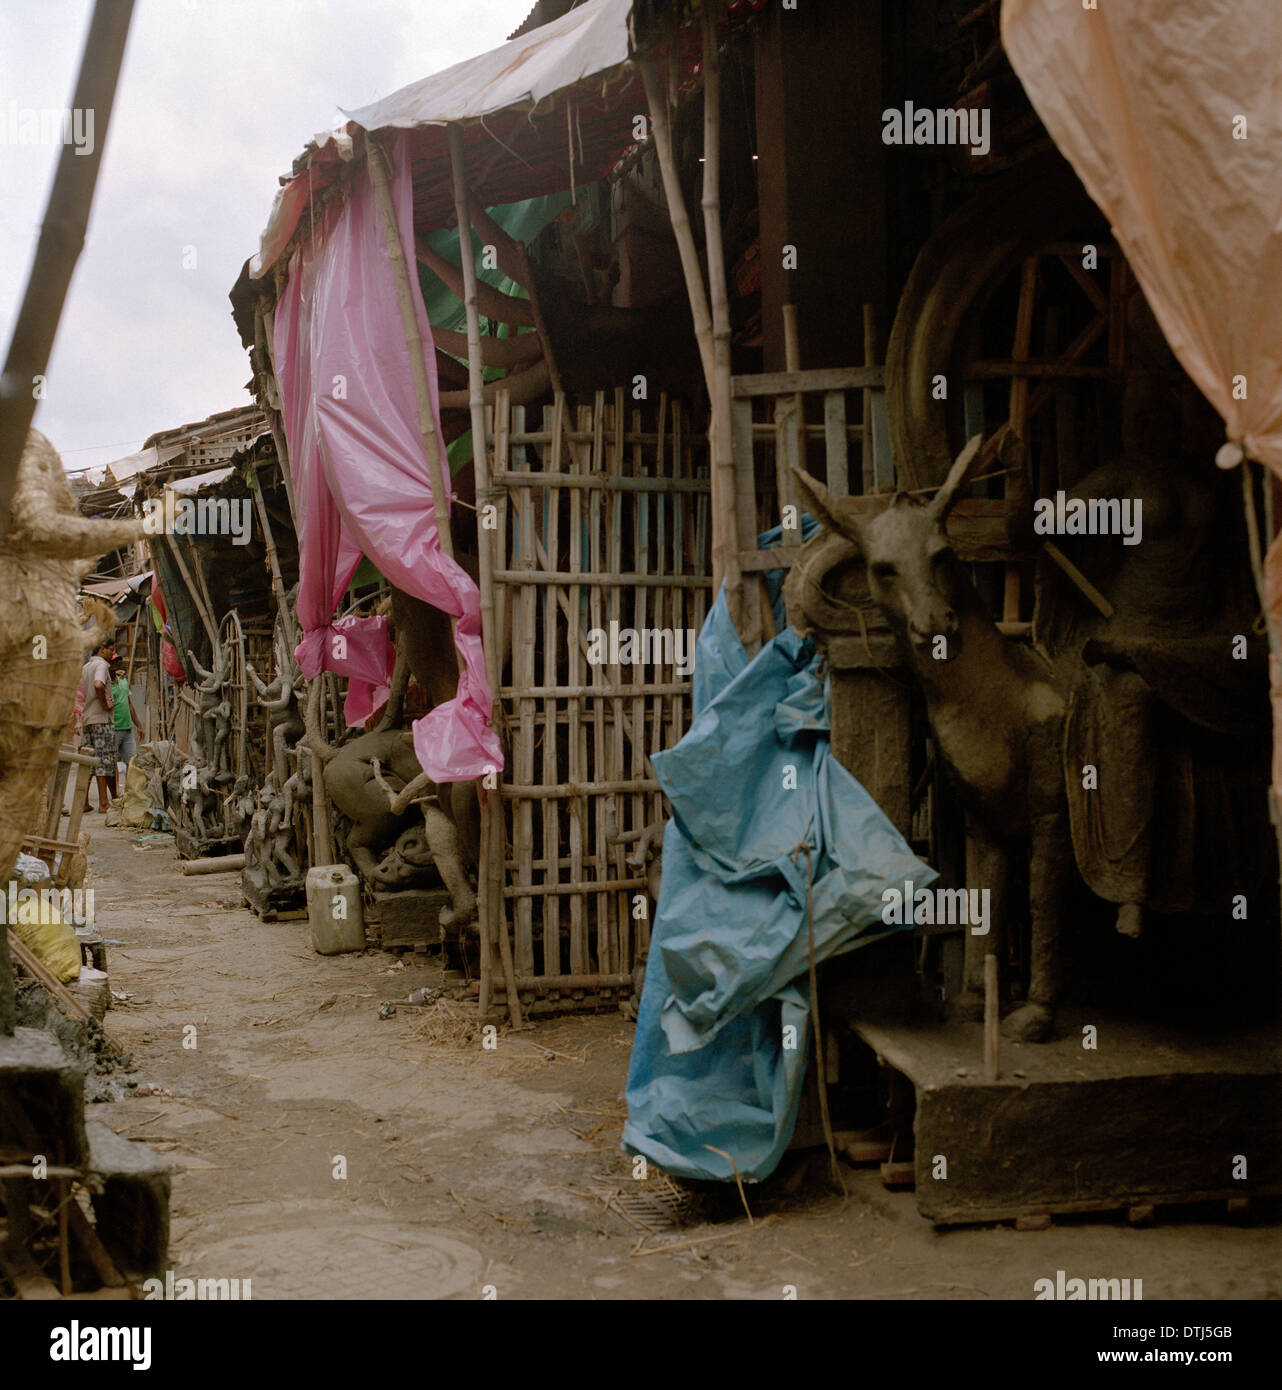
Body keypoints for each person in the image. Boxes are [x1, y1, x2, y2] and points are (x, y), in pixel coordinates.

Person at [79, 637, 118, 812]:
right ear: (102, 649)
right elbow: (98, 685)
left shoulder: (86, 666)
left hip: (87, 718)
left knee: (87, 761)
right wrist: (104, 704)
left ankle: (83, 802)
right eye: (111, 649)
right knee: (102, 761)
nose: (112, 653)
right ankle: (104, 802)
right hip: (101, 719)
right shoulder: (101, 665)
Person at [110, 660, 142, 776]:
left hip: (127, 729)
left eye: (117, 664)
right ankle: (115, 791)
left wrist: (138, 725)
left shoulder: (123, 682)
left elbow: (130, 705)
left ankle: (130, 790)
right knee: (110, 763)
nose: (117, 667)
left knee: (132, 763)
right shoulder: (107, 685)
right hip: (114, 728)